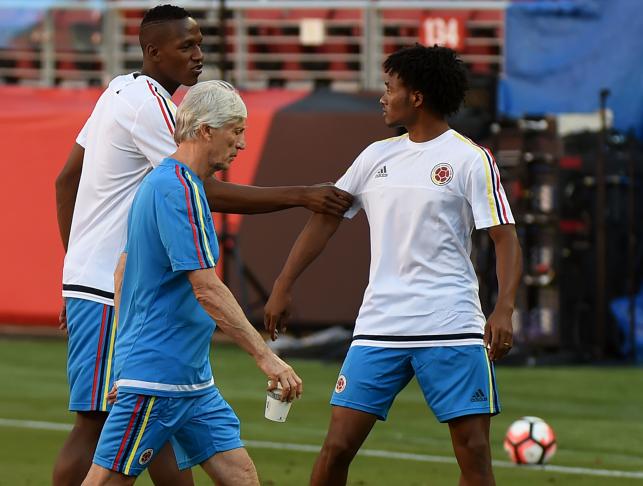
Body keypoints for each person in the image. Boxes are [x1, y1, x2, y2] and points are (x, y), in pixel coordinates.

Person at [53, 5, 351, 486]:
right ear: (153, 51)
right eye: (186, 46)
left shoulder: (117, 90)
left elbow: (66, 180)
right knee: (98, 426)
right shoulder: (154, 113)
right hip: (120, 296)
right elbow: (197, 187)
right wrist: (301, 195)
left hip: (110, 284)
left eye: (200, 44)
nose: (199, 55)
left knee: (157, 433)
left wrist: (73, 271)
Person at [264, 44, 523, 486]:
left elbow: (505, 237)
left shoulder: (469, 158)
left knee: (474, 455)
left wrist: (503, 308)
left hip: (451, 325)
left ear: (417, 97)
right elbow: (326, 218)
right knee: (337, 448)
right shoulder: (374, 157)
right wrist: (283, 283)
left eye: (390, 87)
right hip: (379, 326)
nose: (383, 97)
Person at [81, 80, 302, 486]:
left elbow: (123, 271)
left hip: (191, 378)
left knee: (242, 476)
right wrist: (266, 357)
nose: (242, 144)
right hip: (158, 377)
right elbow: (206, 287)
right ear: (205, 131)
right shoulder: (178, 188)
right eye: (235, 131)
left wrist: (121, 365)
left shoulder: (167, 184)